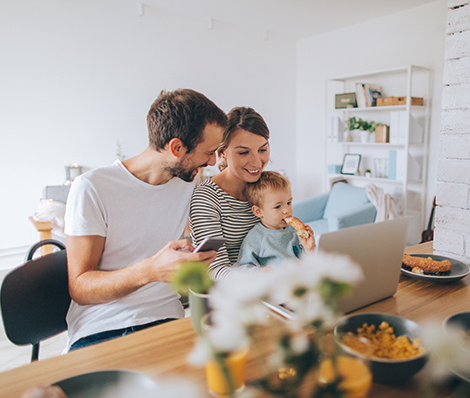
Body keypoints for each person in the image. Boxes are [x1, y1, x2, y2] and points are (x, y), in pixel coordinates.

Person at [64, 89, 227, 351]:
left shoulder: (189, 181)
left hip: (167, 321)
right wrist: (150, 270)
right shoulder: (93, 187)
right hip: (103, 327)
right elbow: (80, 287)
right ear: (176, 148)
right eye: (209, 152)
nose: (212, 161)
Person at [189, 107, 270, 279]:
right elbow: (215, 270)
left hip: (274, 286)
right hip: (233, 294)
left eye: (262, 150)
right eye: (243, 152)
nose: (257, 162)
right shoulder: (207, 198)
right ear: (222, 152)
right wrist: (261, 276)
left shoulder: (268, 187)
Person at [237, 171, 315, 269]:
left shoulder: (293, 230)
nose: (287, 210)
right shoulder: (255, 238)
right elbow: (243, 267)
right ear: (258, 211)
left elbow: (303, 259)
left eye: (289, 203)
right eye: (278, 206)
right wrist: (260, 272)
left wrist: (308, 249)